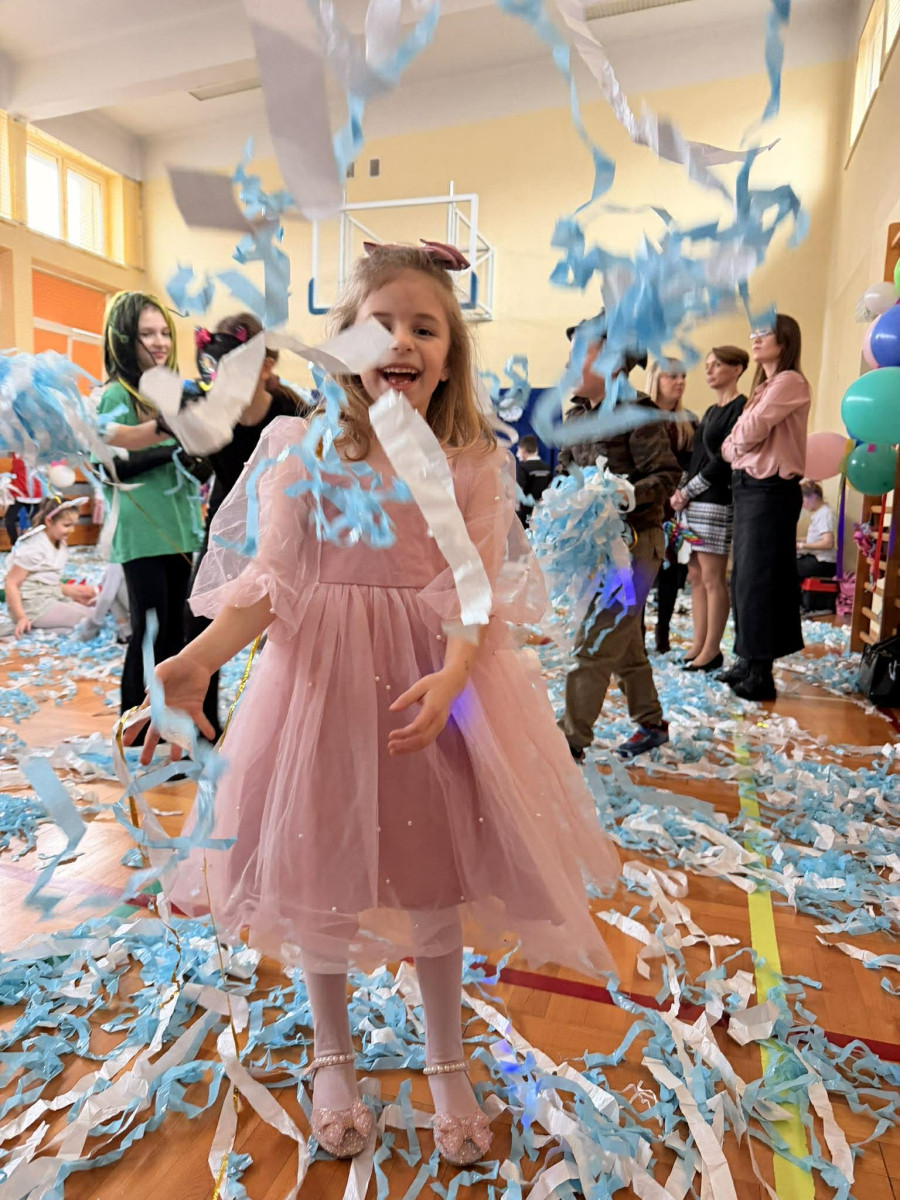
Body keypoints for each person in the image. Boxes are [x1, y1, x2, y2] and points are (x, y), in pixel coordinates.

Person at [129, 244, 620, 1168]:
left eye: (424, 328)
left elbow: (475, 587)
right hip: (320, 694)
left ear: (449, 355)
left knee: (433, 874)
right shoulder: (300, 449)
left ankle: (446, 1058)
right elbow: (271, 585)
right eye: (381, 324)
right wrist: (194, 662)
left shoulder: (471, 461)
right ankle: (332, 1053)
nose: (402, 341)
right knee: (319, 869)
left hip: (426, 691)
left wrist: (459, 667)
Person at [556, 316, 681, 760]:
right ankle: (651, 723)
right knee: (623, 640)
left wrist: (625, 494)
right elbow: (564, 470)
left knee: (595, 639)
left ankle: (570, 739)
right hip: (596, 548)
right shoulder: (575, 416)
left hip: (634, 549)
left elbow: (666, 475)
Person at [183, 312, 310, 740]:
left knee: (283, 631)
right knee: (198, 624)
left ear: (265, 366)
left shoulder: (291, 413)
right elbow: (148, 434)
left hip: (282, 533)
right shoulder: (210, 415)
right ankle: (200, 735)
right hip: (227, 529)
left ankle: (282, 732)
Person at [96, 292, 204, 717]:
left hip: (179, 525)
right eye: (147, 334)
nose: (160, 342)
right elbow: (111, 467)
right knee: (150, 631)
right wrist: (172, 446)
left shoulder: (170, 393)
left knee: (175, 634)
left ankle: (166, 720)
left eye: (164, 333)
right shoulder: (117, 396)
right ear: (125, 339)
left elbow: (192, 461)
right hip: (142, 531)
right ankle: (134, 721)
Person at [721, 314, 810, 701]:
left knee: (760, 579)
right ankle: (746, 657)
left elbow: (747, 433)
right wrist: (736, 443)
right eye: (754, 333)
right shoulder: (764, 387)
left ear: (784, 340)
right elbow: (731, 444)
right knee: (742, 578)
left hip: (770, 489)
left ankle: (761, 673)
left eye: (764, 333)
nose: (755, 339)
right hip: (749, 488)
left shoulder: (790, 382)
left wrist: (736, 443)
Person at [671, 346, 749, 671]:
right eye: (708, 365)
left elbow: (723, 461)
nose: (710, 371)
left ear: (737, 368)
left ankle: (712, 649)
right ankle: (699, 643)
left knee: (713, 576)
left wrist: (688, 490)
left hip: (715, 500)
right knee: (695, 574)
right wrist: (681, 490)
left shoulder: (740, 407)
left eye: (717, 365)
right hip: (693, 502)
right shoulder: (710, 410)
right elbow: (698, 458)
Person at [645, 358, 697, 653]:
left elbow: (692, 462)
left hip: (675, 508)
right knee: (639, 570)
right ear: (656, 379)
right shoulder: (639, 418)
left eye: (683, 376)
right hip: (643, 506)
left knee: (670, 571)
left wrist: (681, 490)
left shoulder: (688, 421)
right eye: (672, 376)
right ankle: (634, 633)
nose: (680, 382)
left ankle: (662, 633)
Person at [2, 497, 95, 637]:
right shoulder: (34, 547)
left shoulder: (59, 541)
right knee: (89, 622)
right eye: (67, 525)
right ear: (49, 521)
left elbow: (45, 579)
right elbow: (11, 583)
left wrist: (75, 592)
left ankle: (34, 631)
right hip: (32, 604)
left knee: (94, 616)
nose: (72, 530)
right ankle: (25, 627)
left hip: (49, 597)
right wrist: (21, 617)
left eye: (73, 525)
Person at [797, 481, 837, 579]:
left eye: (803, 500)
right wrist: (797, 540)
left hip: (823, 562)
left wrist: (801, 545)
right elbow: (814, 538)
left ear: (813, 497)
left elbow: (828, 543)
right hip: (816, 558)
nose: (802, 505)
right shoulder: (820, 513)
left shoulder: (825, 513)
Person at [3, 455, 42, 547]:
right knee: (9, 520)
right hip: (19, 493)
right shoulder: (16, 454)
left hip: (33, 495)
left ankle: (36, 545)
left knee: (37, 523)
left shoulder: (32, 453)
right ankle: (15, 544)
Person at [515, 434, 551, 526]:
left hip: (526, 514)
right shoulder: (547, 468)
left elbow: (519, 492)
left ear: (523, 450)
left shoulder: (522, 468)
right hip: (543, 512)